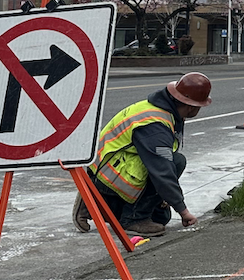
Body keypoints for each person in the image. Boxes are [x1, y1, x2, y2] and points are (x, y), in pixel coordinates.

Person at [72, 72, 213, 237]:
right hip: (108, 174)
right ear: (191, 106)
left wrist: (164, 198)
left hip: (109, 168)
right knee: (176, 162)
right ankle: (133, 219)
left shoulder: (163, 110)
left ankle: (93, 202)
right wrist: (183, 211)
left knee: (161, 218)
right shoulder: (155, 125)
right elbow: (162, 170)